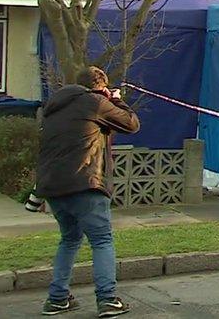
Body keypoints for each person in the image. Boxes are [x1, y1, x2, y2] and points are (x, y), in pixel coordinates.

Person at [35, 66, 140, 317]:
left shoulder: (53, 109)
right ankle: (107, 299)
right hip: (85, 183)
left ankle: (57, 298)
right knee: (102, 240)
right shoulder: (94, 103)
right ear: (100, 86)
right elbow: (131, 124)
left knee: (70, 239)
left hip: (54, 187)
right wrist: (116, 100)